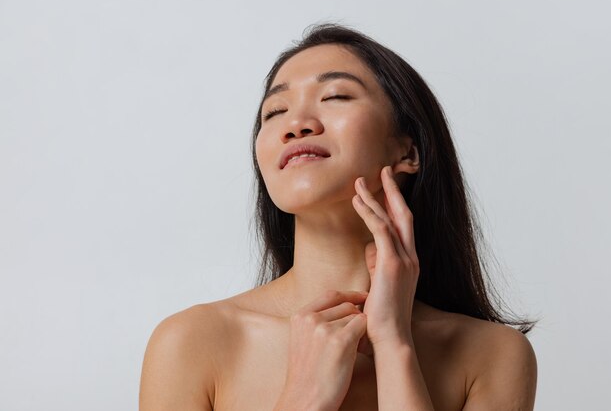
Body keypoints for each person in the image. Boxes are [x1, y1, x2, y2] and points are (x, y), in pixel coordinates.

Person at [139, 23, 538, 411]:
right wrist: (304, 398)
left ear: (407, 152)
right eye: (275, 111)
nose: (296, 125)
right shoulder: (191, 343)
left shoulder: (492, 355)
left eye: (335, 96)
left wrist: (394, 343)